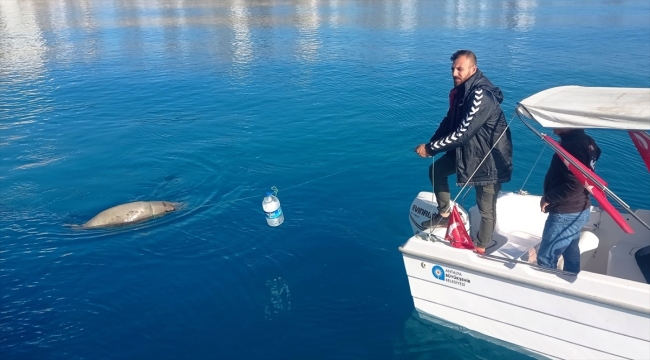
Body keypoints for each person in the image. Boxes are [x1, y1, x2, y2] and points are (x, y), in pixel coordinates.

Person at [415, 50, 513, 254]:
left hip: (489, 159)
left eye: (460, 69)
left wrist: (432, 148)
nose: (454, 73)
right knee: (437, 171)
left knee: (485, 207)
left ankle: (481, 248)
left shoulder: (480, 95)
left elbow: (462, 133)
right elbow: (449, 121)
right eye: (453, 69)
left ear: (473, 69)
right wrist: (431, 144)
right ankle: (444, 213)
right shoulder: (462, 92)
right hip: (467, 153)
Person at [537, 128, 601, 273]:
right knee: (571, 251)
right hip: (581, 208)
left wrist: (549, 198)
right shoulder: (587, 140)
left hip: (566, 212)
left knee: (546, 257)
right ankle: (571, 277)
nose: (552, 125)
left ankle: (548, 291)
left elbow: (575, 185)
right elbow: (597, 152)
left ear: (567, 125)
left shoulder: (571, 146)